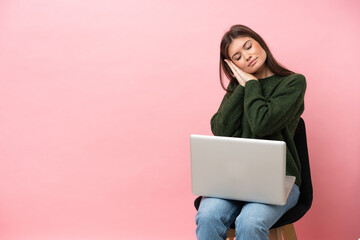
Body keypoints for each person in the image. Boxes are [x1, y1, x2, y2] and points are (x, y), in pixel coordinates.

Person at [195, 24, 307, 240]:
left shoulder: (292, 83)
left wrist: (253, 84)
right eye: (237, 56)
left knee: (250, 221)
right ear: (232, 65)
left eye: (248, 46)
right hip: (234, 180)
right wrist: (241, 85)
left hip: (279, 181)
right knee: (207, 216)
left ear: (260, 43)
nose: (246, 56)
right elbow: (221, 130)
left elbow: (262, 124)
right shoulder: (237, 88)